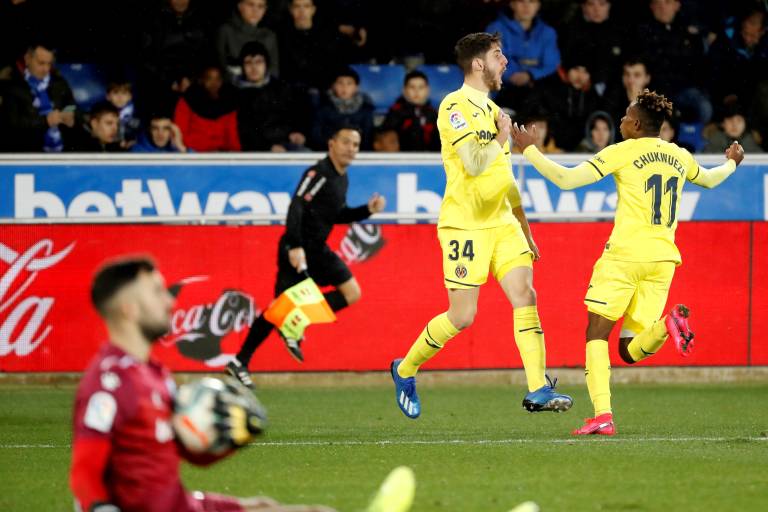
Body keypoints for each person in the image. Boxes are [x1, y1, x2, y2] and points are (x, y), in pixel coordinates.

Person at [511, 89, 745, 435]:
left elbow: (566, 179)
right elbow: (710, 180)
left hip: (624, 256)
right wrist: (732, 162)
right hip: (663, 260)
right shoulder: (678, 155)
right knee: (630, 350)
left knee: (597, 334)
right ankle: (667, 325)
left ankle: (602, 415)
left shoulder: (622, 151)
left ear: (636, 124)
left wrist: (528, 148)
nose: (620, 120)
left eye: (624, 115)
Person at [389, 32, 573, 420]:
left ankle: (538, 387)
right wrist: (504, 135)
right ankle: (405, 369)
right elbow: (473, 163)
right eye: (497, 55)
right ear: (478, 64)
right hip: (466, 226)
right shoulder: (454, 107)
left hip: (503, 222)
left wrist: (524, 225)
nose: (505, 61)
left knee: (525, 295)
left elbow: (503, 177)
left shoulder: (495, 111)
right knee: (462, 316)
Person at [227, 126, 386, 385]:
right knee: (277, 310)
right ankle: (240, 361)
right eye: (346, 142)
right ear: (331, 143)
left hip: (318, 249)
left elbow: (338, 214)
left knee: (351, 293)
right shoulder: (319, 172)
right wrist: (295, 244)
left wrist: (366, 210)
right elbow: (297, 204)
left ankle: (294, 323)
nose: (351, 148)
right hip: (298, 247)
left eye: (356, 144)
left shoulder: (341, 177)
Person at [1, 42, 77, 152]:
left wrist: (68, 113)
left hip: (62, 151)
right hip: (27, 153)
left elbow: (72, 104)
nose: (46, 69)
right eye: (41, 63)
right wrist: (45, 121)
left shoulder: (59, 83)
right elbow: (11, 125)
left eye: (49, 64)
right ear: (27, 59)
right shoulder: (13, 88)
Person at [486, 0, 560, 110]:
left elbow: (551, 63)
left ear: (538, 5)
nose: (526, 6)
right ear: (512, 4)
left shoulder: (548, 32)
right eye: (521, 1)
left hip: (537, 86)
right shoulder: (496, 28)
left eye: (532, 1)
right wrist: (512, 75)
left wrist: (530, 75)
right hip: (505, 86)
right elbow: (493, 58)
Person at [236, 41, 309, 152]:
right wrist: (268, 147)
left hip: (287, 143)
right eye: (248, 62)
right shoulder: (235, 94)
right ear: (242, 66)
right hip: (256, 150)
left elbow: (298, 114)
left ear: (266, 64)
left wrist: (298, 132)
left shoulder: (282, 88)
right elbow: (244, 131)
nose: (254, 67)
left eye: (259, 62)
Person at [174, 65, 241, 152]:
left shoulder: (229, 102)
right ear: (201, 80)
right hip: (193, 154)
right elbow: (180, 134)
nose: (214, 83)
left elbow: (232, 137)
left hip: (220, 156)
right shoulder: (187, 100)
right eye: (209, 78)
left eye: (218, 79)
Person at [310, 67, 374, 150]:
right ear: (333, 86)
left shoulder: (366, 109)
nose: (344, 87)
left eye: (349, 83)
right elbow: (316, 135)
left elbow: (368, 137)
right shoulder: (323, 108)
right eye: (340, 83)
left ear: (356, 87)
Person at [217, 0, 280, 82]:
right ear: (240, 6)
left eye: (260, 6)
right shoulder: (226, 31)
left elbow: (273, 72)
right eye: (250, 5)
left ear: (265, 9)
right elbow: (220, 69)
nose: (255, 11)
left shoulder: (270, 36)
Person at [382, 70, 440, 152]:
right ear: (404, 90)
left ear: (427, 90)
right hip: (400, 160)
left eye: (421, 87)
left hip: (430, 160)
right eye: (412, 87)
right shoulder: (395, 113)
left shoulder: (434, 114)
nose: (416, 91)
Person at [106, 80, 141, 149]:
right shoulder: (102, 114)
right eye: (116, 93)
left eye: (124, 93)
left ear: (130, 96)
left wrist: (134, 141)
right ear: (108, 97)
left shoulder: (137, 115)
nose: (120, 97)